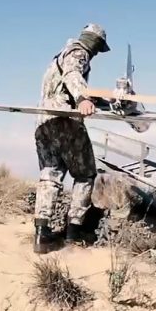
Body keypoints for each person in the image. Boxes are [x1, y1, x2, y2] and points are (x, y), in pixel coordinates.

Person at [32, 23, 110, 253]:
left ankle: (41, 232)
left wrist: (100, 101)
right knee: (85, 174)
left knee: (50, 174)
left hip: (44, 122)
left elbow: (63, 85)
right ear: (95, 42)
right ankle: (74, 231)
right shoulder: (79, 53)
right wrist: (83, 98)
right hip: (66, 122)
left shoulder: (57, 57)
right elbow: (73, 75)